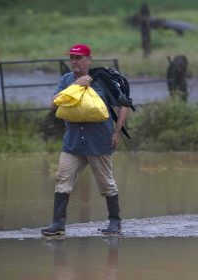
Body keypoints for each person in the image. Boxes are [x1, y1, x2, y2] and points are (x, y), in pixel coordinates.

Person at [41, 43, 130, 236]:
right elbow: (53, 103)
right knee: (62, 179)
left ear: (89, 60)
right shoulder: (66, 80)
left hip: (99, 142)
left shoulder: (103, 81)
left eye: (79, 58)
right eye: (72, 58)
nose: (74, 61)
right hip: (72, 143)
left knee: (106, 183)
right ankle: (58, 224)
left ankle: (115, 222)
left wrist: (116, 132)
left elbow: (124, 105)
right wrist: (75, 85)